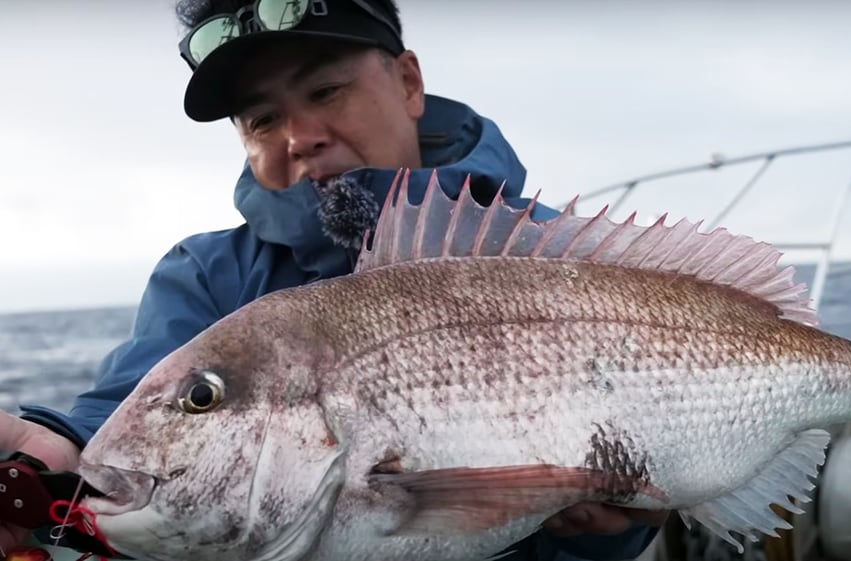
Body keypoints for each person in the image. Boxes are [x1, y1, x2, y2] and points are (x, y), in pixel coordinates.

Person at [0, 1, 666, 559]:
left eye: (324, 91)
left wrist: (666, 507)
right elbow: (124, 400)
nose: (298, 135)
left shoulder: (549, 253)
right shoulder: (206, 274)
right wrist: (59, 457)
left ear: (409, 83)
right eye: (262, 118)